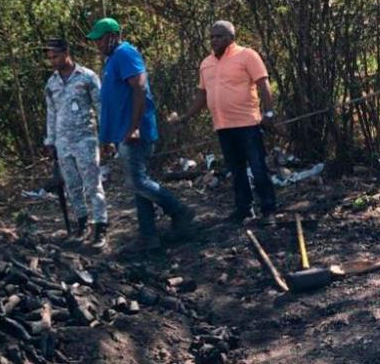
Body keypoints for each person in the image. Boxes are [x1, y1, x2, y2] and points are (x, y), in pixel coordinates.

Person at [86, 18, 195, 253]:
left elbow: (140, 88)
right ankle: (148, 235)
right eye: (96, 40)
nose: (98, 44)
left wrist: (134, 126)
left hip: (135, 131)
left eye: (101, 39)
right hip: (122, 132)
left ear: (113, 36)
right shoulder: (112, 60)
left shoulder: (126, 53)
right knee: (138, 184)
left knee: (137, 181)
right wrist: (107, 137)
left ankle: (179, 211)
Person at [185, 20, 278, 225]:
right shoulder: (206, 63)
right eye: (212, 37)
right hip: (223, 126)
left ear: (231, 38)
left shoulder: (247, 55)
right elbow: (202, 95)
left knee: (258, 167)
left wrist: (269, 113)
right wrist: (186, 117)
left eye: (219, 36)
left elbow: (263, 84)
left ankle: (269, 210)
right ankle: (244, 209)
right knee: (236, 170)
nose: (214, 41)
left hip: (248, 124)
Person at [43, 38, 109, 247]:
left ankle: (100, 226)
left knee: (92, 185)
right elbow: (51, 113)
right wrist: (50, 141)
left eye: (56, 56)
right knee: (72, 186)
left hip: (86, 139)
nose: (53, 61)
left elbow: (100, 108)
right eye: (50, 58)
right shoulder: (51, 83)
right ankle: (81, 223)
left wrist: (106, 137)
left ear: (66, 53)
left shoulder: (87, 77)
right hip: (63, 143)